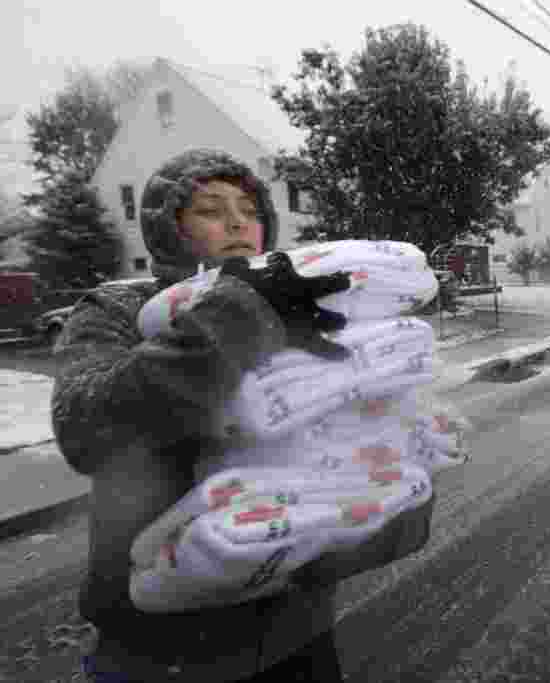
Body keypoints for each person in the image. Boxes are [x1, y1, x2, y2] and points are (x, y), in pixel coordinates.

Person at [53, 148, 432, 682]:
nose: (237, 221)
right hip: (156, 652)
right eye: (210, 209)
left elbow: (375, 449)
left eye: (250, 210)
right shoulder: (117, 311)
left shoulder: (303, 308)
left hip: (294, 639)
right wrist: (239, 314)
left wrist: (361, 516)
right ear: (168, 228)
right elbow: (85, 428)